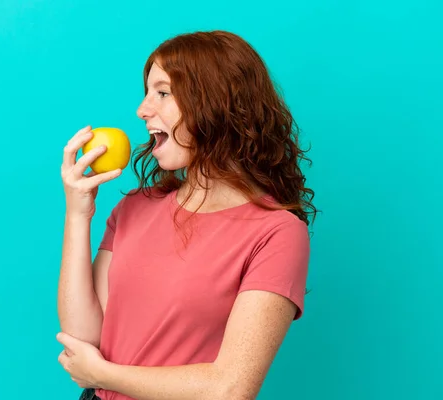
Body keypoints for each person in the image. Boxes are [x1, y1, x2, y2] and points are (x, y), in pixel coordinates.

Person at [56, 30, 317, 400]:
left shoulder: (277, 233)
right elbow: (83, 341)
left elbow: (230, 388)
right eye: (147, 92)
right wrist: (78, 214)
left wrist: (105, 375)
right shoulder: (135, 206)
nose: (142, 110)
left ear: (217, 103)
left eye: (162, 93)